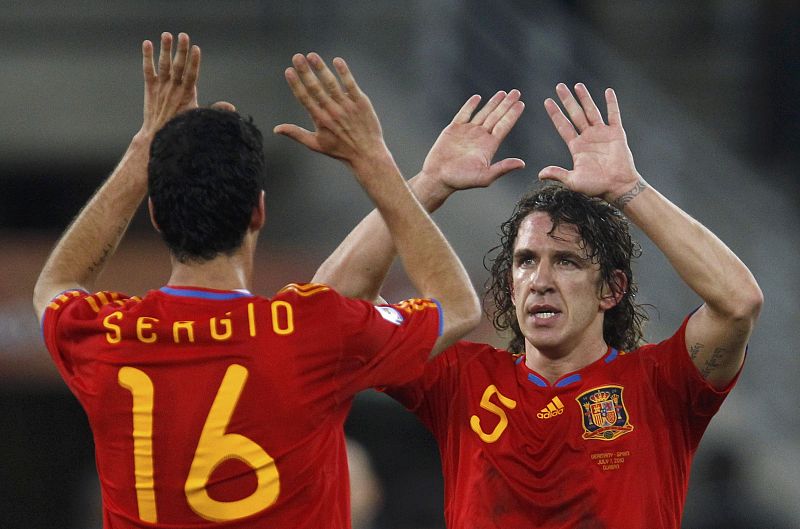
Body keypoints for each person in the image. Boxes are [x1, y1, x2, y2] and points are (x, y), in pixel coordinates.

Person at [33, 33, 483, 529]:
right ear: (259, 212)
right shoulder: (309, 332)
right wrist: (375, 164)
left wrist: (148, 145)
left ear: (156, 215)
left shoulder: (107, 336)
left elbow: (58, 281)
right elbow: (456, 306)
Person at [313, 82, 763, 528]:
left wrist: (629, 188)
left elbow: (738, 303)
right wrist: (428, 186)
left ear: (611, 289)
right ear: (511, 287)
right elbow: (328, 311)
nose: (540, 281)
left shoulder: (660, 385)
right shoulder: (460, 380)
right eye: (526, 261)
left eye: (566, 262)